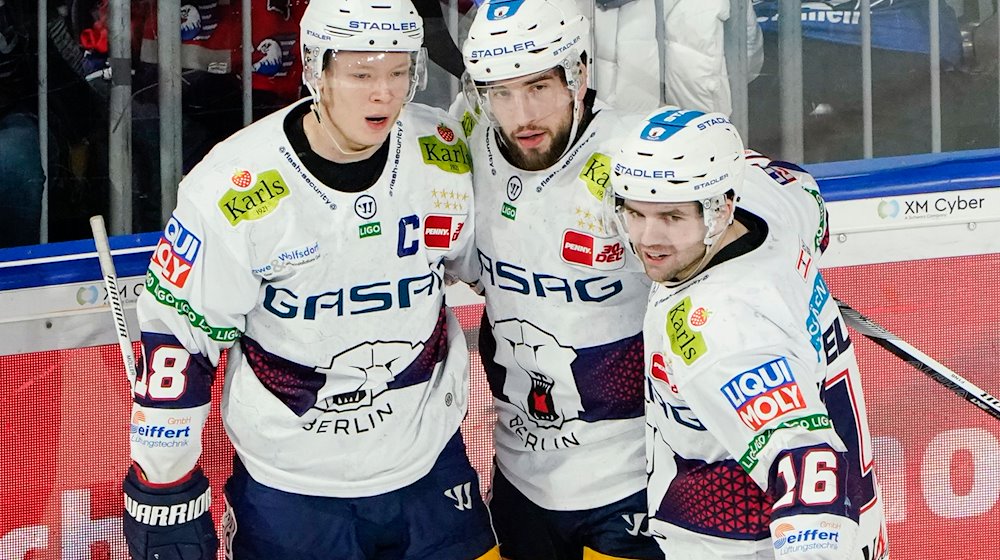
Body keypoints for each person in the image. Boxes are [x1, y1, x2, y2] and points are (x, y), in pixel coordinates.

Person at [121, 1, 499, 558]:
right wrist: (163, 483)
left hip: (430, 469)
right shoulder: (234, 187)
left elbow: (496, 266)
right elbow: (180, 340)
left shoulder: (438, 152)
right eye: (362, 74)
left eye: (400, 72)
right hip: (291, 490)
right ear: (314, 69)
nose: (384, 94)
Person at [607, 107, 888, 558]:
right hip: (862, 525)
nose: (647, 239)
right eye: (635, 214)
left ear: (721, 209)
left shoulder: (721, 331)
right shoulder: (770, 201)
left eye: (672, 218)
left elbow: (806, 461)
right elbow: (798, 184)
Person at [455, 1, 660, 558]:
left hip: (635, 481)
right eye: (500, 92)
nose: (520, 115)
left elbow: (770, 193)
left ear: (580, 74)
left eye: (539, 87)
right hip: (520, 480)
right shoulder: (468, 138)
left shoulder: (635, 153)